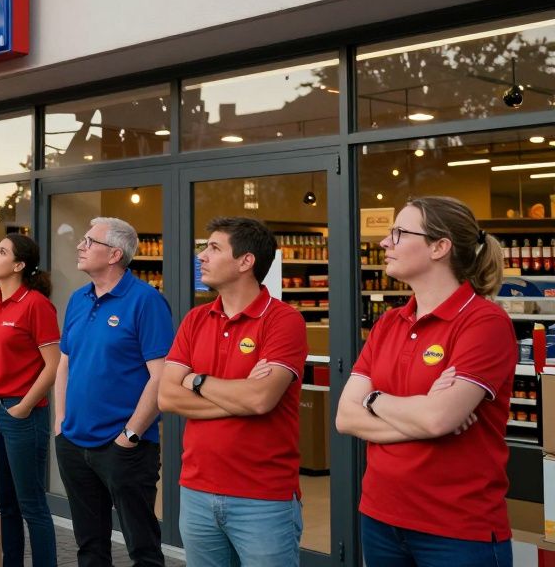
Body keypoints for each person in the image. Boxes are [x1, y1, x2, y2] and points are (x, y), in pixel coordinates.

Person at [335, 197, 515, 565]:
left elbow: (437, 419)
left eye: (399, 233)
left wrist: (374, 400)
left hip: (456, 530)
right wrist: (426, 418)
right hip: (380, 518)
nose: (385, 242)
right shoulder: (389, 323)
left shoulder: (484, 323)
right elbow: (344, 418)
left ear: (439, 247)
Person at [157, 217, 307, 567]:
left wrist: (197, 381)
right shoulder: (195, 319)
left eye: (213, 248)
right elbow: (166, 397)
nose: (201, 256)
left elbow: (260, 399)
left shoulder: (283, 320)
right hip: (196, 491)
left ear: (245, 261)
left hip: (262, 498)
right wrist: (242, 398)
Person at [55, 218, 173, 567]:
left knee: (143, 549)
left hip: (124, 448)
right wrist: (61, 423)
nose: (81, 246)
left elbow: (161, 376)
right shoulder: (78, 299)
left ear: (114, 255)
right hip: (74, 443)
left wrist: (130, 435)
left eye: (90, 241)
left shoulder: (146, 301)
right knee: (89, 548)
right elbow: (64, 364)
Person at [0, 233, 61, 567]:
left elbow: (53, 365)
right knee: (3, 504)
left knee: (31, 505)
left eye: (2, 252)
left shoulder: (36, 305)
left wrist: (24, 406)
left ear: (19, 265)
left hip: (21, 415)